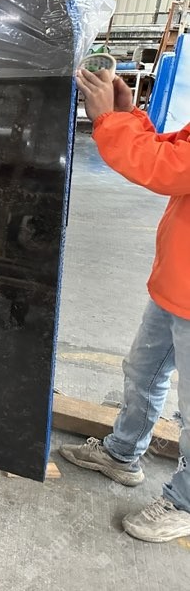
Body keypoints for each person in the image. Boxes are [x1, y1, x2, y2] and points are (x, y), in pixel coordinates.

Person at [60, 66, 190, 543]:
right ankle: (122, 453)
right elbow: (173, 148)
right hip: (177, 285)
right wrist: (128, 115)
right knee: (143, 371)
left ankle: (186, 504)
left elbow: (165, 169)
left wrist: (107, 122)